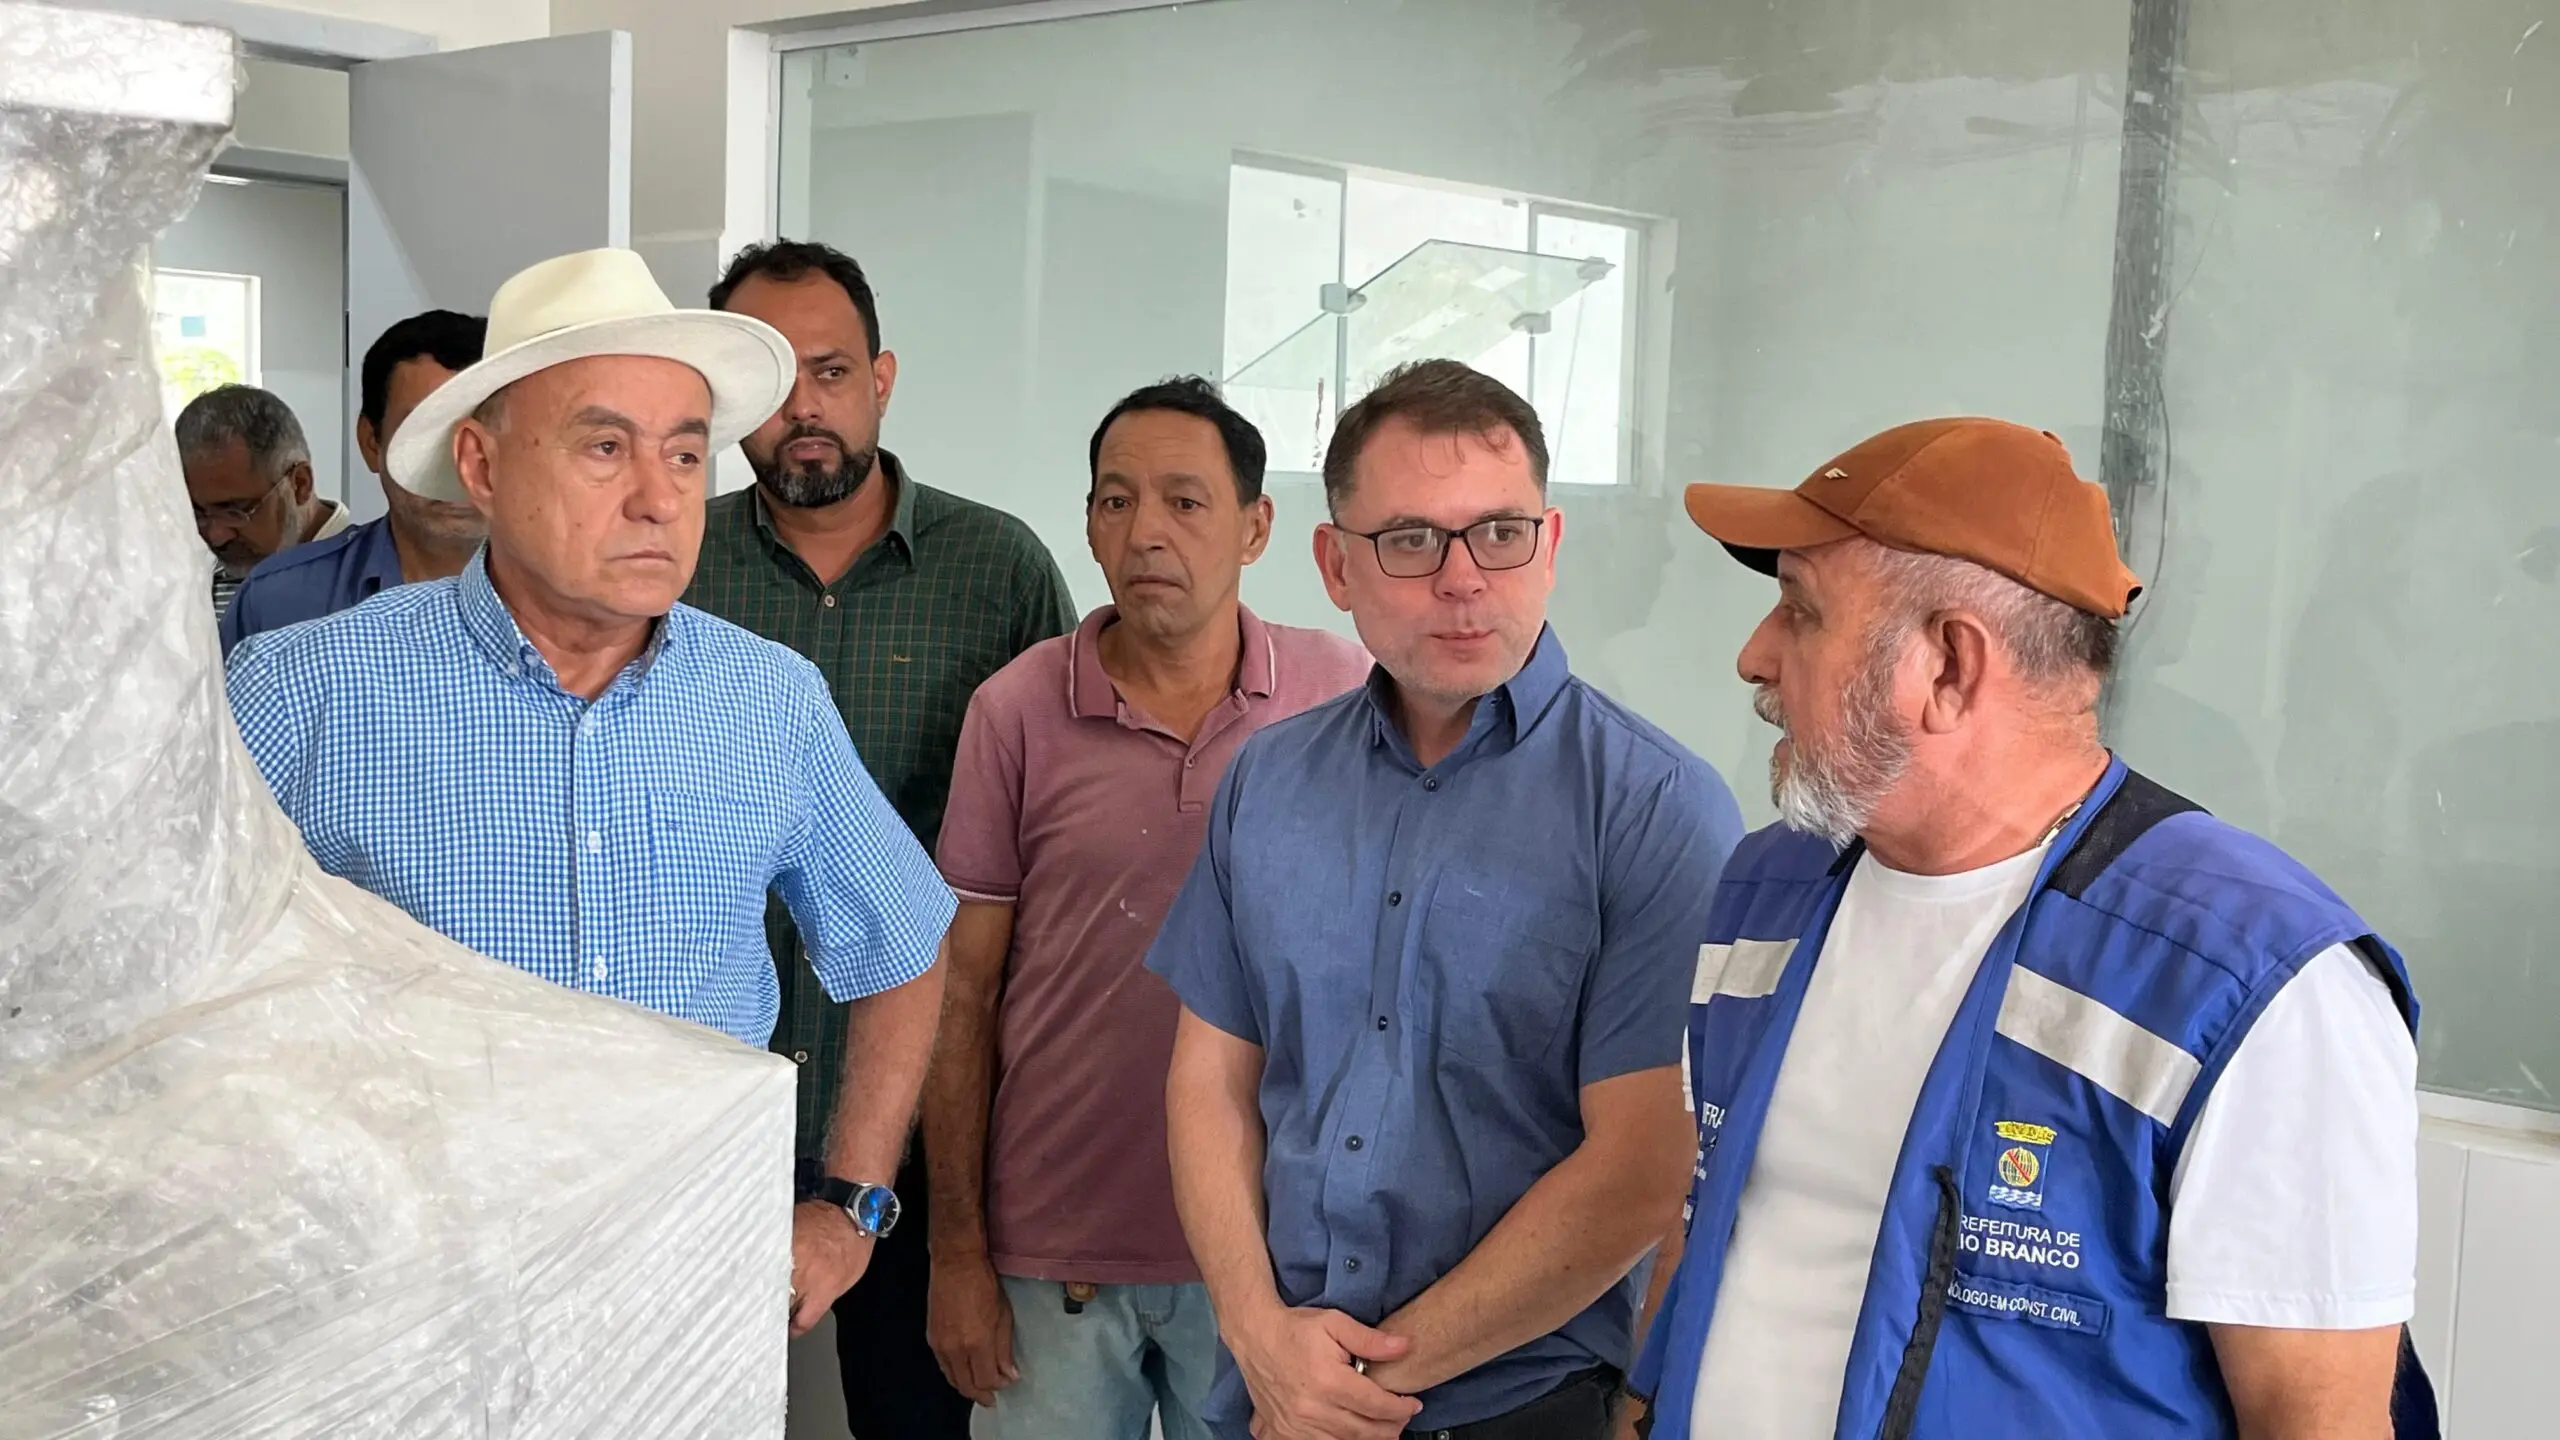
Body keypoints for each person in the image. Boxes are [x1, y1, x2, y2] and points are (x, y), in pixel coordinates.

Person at [1631, 418, 2429, 1439]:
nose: (1755, 656)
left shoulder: (2252, 982)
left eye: (1801, 611)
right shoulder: (1765, 888)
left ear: (1948, 665)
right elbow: (1703, 1225)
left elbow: (2317, 1420)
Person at [225, 248, 957, 1340]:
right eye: (604, 447)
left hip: (690, 1299)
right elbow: (179, 990)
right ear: (481, 464)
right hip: (404, 1308)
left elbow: (902, 941)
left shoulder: (767, 702)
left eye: (685, 453)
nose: (659, 499)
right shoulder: (306, 692)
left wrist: (851, 1204)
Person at [1146, 359, 1746, 1440]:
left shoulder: (1657, 807)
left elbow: (1639, 1168)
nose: (1463, 579)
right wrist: (1256, 1333)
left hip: (1518, 1403)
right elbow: (1209, 1082)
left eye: (1500, 533)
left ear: (1550, 545)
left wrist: (1352, 1387)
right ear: (1334, 564)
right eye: (1412, 540)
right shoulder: (1266, 782)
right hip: (1273, 1387)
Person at [925, 378, 1372, 1440]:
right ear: (1087, 523)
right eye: (1116, 501)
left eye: (1185, 501)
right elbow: (961, 994)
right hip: (1055, 1254)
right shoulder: (1017, 709)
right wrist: (955, 1253)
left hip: (1278, 1257)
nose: (1146, 533)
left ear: (1256, 528)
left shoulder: (1340, 693)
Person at [688, 238, 1078, 1440]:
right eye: (772, 380)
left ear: (883, 380)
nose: (805, 408)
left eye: (832, 372)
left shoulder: (997, 568)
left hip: (918, 1128)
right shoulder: (670, 566)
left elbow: (1050, 846)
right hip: (706, 1109)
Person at [219, 310, 491, 656]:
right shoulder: (277, 603)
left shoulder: (560, 596)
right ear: (372, 442)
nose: (458, 462)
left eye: (482, 430)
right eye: (424, 431)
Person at [177, 384, 341, 618]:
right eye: (197, 512)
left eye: (234, 511)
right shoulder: (189, 578)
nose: (216, 537)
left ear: (300, 484)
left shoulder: (371, 573)